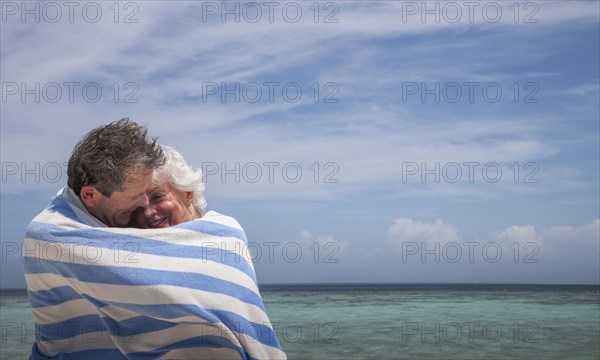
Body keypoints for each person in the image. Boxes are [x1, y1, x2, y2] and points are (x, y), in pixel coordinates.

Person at [23, 120, 286, 359]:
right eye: (136, 204)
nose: (146, 210)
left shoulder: (224, 233)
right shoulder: (111, 239)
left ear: (187, 194)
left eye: (158, 196)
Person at [66, 118, 165, 227]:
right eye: (134, 196)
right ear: (89, 195)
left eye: (145, 191)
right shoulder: (61, 237)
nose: (145, 202)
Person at [131, 145, 207, 228]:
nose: (147, 213)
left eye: (157, 197)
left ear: (187, 193)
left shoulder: (220, 236)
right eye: (138, 206)